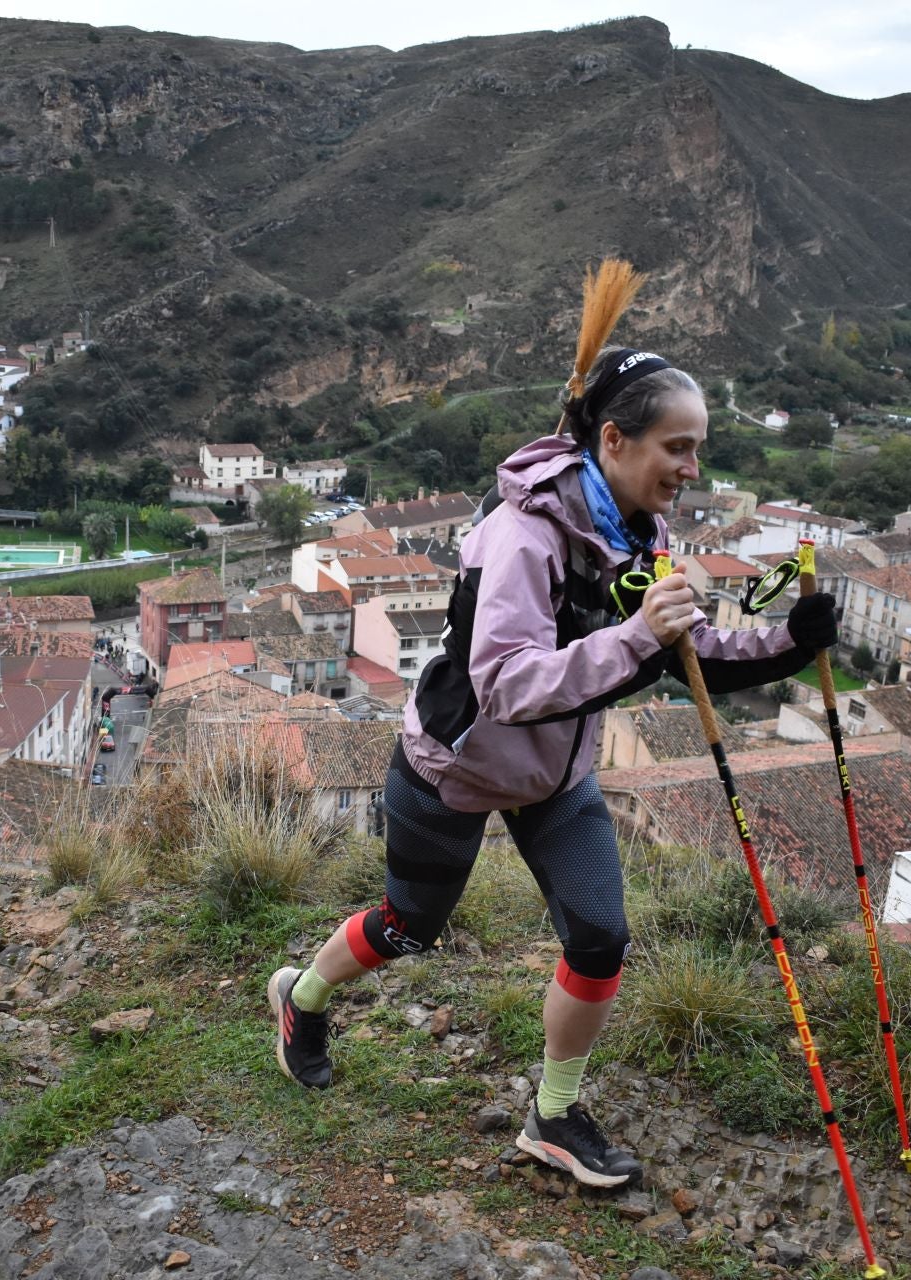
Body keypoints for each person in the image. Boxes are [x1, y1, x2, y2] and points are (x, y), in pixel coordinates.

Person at [268, 346, 837, 1188]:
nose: (692, 466)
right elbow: (504, 682)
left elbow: (689, 652)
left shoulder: (639, 531)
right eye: (676, 447)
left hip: (558, 776)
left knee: (601, 937)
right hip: (454, 766)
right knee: (409, 926)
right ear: (614, 439)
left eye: (697, 446)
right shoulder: (522, 536)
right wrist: (637, 634)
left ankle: (555, 1114)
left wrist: (790, 642)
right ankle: (303, 999)